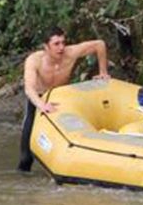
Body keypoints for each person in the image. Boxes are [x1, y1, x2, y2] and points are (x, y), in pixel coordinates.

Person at [17, 27, 109, 172]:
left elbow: (99, 44)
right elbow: (29, 88)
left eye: (63, 42)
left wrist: (103, 72)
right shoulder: (34, 60)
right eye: (56, 44)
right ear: (46, 47)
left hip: (62, 99)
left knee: (68, 147)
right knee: (25, 158)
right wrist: (42, 105)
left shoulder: (70, 53)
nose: (61, 48)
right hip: (39, 101)